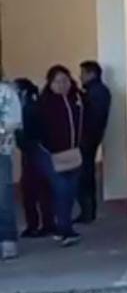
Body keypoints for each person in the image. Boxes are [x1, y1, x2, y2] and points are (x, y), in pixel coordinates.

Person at [38, 65, 84, 246]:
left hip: (74, 153)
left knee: (70, 192)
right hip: (52, 155)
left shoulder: (77, 100)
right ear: (50, 84)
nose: (62, 85)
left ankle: (62, 226)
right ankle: (66, 229)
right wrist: (46, 148)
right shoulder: (44, 104)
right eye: (57, 81)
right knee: (62, 190)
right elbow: (36, 130)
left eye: (65, 81)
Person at [14, 78, 54, 239]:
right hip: (40, 151)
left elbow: (24, 134)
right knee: (43, 189)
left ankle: (34, 225)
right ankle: (47, 223)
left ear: (23, 92)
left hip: (32, 152)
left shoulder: (26, 109)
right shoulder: (36, 106)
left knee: (30, 191)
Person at [75, 60, 111, 224]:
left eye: (83, 73)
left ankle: (88, 211)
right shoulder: (96, 91)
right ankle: (88, 211)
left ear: (91, 74)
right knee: (85, 174)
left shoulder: (96, 93)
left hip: (87, 138)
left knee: (85, 175)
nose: (80, 77)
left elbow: (93, 117)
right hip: (90, 137)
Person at [0, 66, 22, 260]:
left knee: (3, 197)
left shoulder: (6, 92)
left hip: (1, 152)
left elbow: (13, 122)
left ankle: (8, 239)